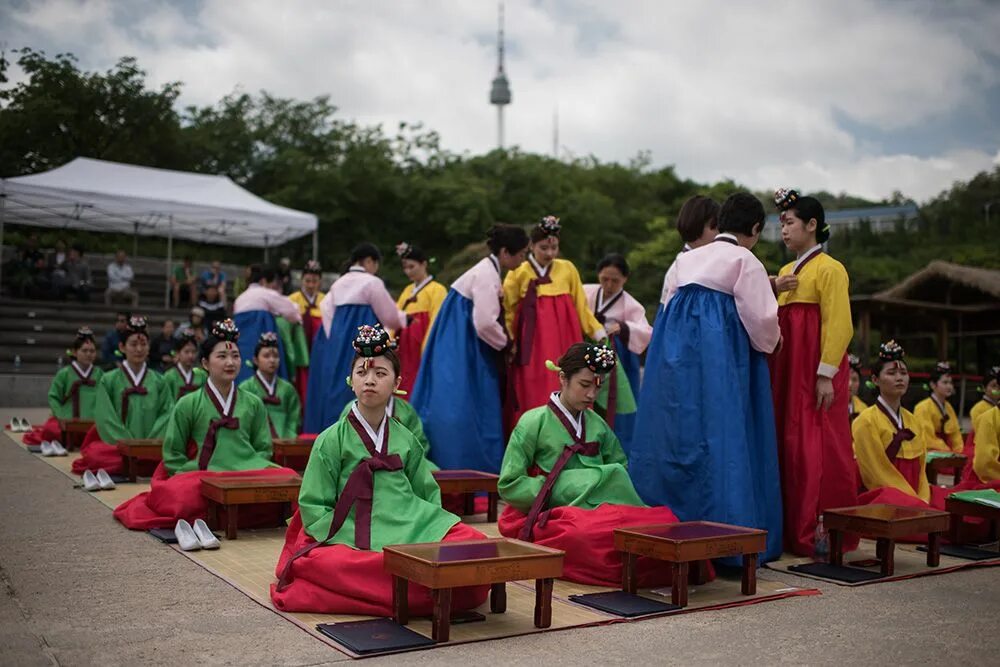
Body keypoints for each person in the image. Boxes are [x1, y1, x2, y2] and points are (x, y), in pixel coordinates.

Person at [270, 324, 488, 616]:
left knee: (477, 546)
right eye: (362, 373)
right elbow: (313, 504)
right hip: (351, 531)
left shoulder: (405, 437)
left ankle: (408, 580)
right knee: (329, 562)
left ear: (397, 382)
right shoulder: (330, 439)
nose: (370, 380)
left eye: (380, 374)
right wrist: (343, 537)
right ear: (351, 381)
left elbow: (426, 492)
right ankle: (421, 586)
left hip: (409, 523)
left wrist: (428, 531)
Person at [629, 192, 785, 563]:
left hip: (677, 365)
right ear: (754, 229)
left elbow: (664, 310)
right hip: (723, 364)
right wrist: (773, 343)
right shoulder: (745, 260)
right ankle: (730, 540)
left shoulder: (685, 261)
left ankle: (673, 525)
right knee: (726, 439)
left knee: (684, 437)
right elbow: (762, 319)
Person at [498, 343, 687, 586]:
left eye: (597, 387)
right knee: (581, 536)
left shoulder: (597, 424)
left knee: (663, 524)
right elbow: (509, 482)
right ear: (563, 378)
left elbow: (619, 466)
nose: (591, 395)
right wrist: (558, 489)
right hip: (557, 509)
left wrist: (598, 486)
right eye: (584, 385)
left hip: (603, 508)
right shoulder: (533, 422)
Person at [114, 319, 296, 531]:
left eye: (235, 356)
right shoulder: (188, 403)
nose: (230, 362)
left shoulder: (253, 402)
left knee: (290, 477)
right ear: (205, 363)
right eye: (222, 356)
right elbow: (173, 453)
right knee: (182, 493)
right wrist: (189, 473)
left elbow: (263, 447)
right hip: (203, 473)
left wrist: (248, 470)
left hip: (246, 470)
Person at [768, 188, 856, 557]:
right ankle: (789, 529)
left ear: (812, 225)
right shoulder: (787, 272)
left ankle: (816, 529)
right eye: (780, 224)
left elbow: (840, 325)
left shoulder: (831, 269)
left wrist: (825, 374)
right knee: (787, 443)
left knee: (814, 446)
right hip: (787, 368)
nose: (783, 231)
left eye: (789, 223)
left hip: (813, 370)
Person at [411, 224, 529, 472]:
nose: (523, 259)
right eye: (521, 254)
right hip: (463, 345)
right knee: (464, 405)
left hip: (455, 340)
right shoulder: (486, 275)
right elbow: (484, 322)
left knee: (450, 400)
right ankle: (468, 469)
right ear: (506, 252)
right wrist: (507, 344)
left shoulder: (485, 271)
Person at [503, 216, 606, 430]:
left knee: (569, 383)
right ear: (531, 246)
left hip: (564, 340)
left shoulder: (567, 268)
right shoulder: (517, 273)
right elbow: (508, 313)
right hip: (531, 348)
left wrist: (597, 333)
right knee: (532, 391)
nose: (550, 254)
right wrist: (510, 342)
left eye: (554, 248)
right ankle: (535, 437)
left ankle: (575, 437)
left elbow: (581, 306)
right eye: (543, 248)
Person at [304, 244, 406, 434]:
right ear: (369, 261)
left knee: (341, 385)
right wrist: (404, 318)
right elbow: (390, 316)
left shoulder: (337, 284)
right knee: (368, 381)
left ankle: (335, 435)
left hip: (338, 344)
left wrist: (335, 337)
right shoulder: (371, 282)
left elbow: (326, 311)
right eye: (375, 264)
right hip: (367, 341)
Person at [72, 316, 172, 477]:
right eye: (133, 344)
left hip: (151, 445)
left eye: (143, 344)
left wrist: (146, 444)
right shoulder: (109, 379)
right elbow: (105, 417)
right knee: (96, 456)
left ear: (149, 347)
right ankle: (135, 459)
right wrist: (127, 444)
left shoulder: (160, 380)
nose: (139, 349)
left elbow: (167, 414)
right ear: (122, 347)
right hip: (118, 447)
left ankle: (141, 458)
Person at [853, 340, 942, 510]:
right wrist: (912, 500)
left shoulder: (913, 421)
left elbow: (922, 470)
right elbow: (876, 474)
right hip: (884, 495)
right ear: (875, 380)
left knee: (951, 505)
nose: (899, 378)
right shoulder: (865, 421)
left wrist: (922, 498)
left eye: (903, 372)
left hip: (915, 495)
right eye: (892, 373)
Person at [583, 253, 652, 451]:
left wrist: (623, 327)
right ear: (598, 275)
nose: (609, 284)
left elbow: (646, 331)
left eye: (615, 280)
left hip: (618, 359)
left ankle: (619, 449)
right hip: (587, 354)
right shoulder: (587, 292)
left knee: (617, 409)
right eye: (605, 279)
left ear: (625, 280)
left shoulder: (631, 305)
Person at [28, 328, 106, 446]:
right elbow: (53, 397)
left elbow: (107, 399)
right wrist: (61, 417)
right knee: (51, 429)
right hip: (68, 421)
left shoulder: (100, 374)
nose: (89, 354)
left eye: (92, 351)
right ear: (74, 352)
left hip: (92, 423)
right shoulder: (64, 374)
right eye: (84, 351)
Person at [393, 242, 447, 396]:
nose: (408, 271)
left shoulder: (437, 290)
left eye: (412, 266)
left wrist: (427, 348)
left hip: (421, 347)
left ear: (423, 264)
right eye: (405, 267)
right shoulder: (407, 290)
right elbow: (395, 317)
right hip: (403, 348)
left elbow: (436, 320)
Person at [232, 265, 302, 384]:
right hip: (260, 335)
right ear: (264, 281)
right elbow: (291, 311)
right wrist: (298, 320)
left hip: (241, 344)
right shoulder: (264, 293)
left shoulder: (239, 299)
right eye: (272, 284)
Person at [660, 195, 721, 306]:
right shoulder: (677, 270)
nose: (718, 233)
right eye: (714, 228)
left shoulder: (716, 260)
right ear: (696, 226)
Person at [240, 332, 301, 439]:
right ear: (255, 360)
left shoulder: (288, 389)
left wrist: (288, 438)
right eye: (266, 356)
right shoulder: (246, 388)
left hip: (285, 443)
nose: (272, 360)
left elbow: (294, 418)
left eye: (276, 356)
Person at [288, 260, 326, 405]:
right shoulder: (292, 300)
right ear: (301, 280)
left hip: (319, 352)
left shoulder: (326, 301)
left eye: (314, 281)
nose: (311, 285)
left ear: (320, 282)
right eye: (307, 281)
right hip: (300, 352)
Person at [913, 362, 963, 454]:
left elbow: (956, 434)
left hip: (948, 450)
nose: (949, 386)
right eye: (945, 382)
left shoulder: (948, 406)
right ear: (933, 385)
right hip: (930, 452)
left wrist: (959, 451)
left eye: (950, 383)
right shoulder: (922, 407)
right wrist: (949, 451)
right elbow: (927, 439)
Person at [961, 365, 1000, 480]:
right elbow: (984, 461)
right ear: (984, 388)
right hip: (981, 450)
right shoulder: (981, 412)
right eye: (993, 386)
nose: (996, 390)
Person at [162, 328, 207, 401]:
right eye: (186, 352)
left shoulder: (202, 375)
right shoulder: (169, 376)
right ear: (178, 353)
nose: (190, 356)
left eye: (193, 352)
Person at [848, 354, 867, 420]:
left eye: (854, 380)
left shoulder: (864, 409)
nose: (850, 384)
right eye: (845, 379)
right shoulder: (826, 407)